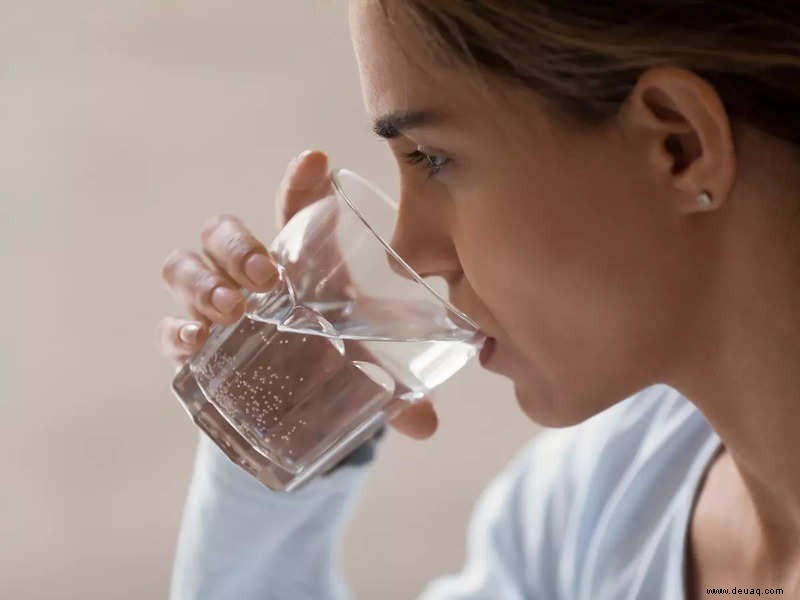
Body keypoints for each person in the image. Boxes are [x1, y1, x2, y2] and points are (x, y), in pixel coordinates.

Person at [157, 1, 800, 598]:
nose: (405, 251)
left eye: (432, 158)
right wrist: (284, 422)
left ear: (680, 145)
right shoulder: (587, 509)